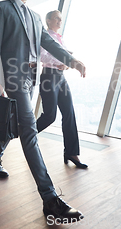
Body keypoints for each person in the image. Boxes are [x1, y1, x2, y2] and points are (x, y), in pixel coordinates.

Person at [0, 0, 86, 222]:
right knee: (29, 129)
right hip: (12, 75)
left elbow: (47, 43)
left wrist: (71, 59)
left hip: (31, 77)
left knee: (15, 122)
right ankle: (49, 198)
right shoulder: (1, 8)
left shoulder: (35, 16)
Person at [38, 10, 87, 169]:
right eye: (56, 19)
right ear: (48, 20)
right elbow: (43, 57)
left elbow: (63, 58)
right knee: (49, 116)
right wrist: (62, 58)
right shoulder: (44, 36)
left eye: (61, 19)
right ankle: (25, 133)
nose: (60, 21)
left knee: (69, 113)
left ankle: (71, 152)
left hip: (60, 77)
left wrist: (65, 63)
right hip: (48, 76)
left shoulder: (60, 38)